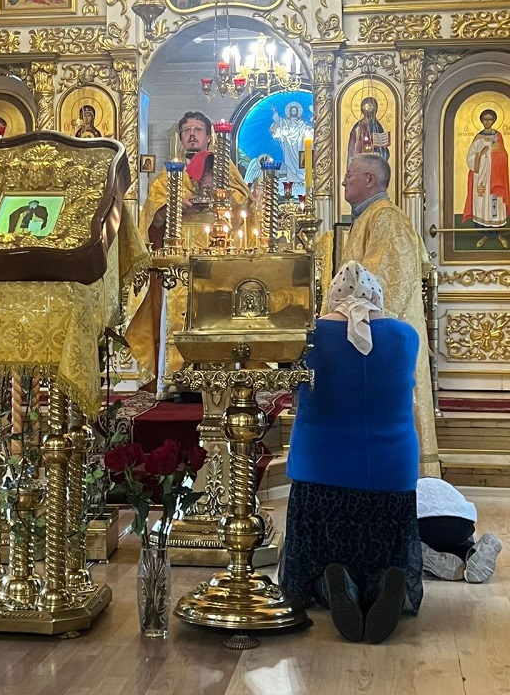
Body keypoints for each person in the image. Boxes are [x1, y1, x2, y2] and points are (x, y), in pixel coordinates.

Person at [280, 261, 423, 644]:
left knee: (310, 565)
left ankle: (331, 585)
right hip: (391, 473)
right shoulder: (406, 337)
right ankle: (382, 583)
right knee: (384, 549)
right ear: (376, 297)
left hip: (320, 470)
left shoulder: (307, 337)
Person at [124, 111, 256, 398]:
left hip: (217, 254)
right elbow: (151, 219)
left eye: (198, 129)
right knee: (177, 317)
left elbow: (245, 207)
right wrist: (173, 204)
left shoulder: (224, 169)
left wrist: (220, 194)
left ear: (209, 136)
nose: (192, 134)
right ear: (181, 137)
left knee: (214, 315)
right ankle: (175, 380)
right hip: (178, 257)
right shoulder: (168, 176)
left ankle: (219, 377)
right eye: (187, 130)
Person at [340, 152, 440, 478]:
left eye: (350, 174)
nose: (343, 181)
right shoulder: (369, 217)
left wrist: (345, 320)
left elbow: (385, 283)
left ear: (370, 179)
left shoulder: (387, 219)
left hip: (385, 340)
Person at [418, 477, 503, 583]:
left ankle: (424, 555)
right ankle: (470, 552)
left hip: (424, 524)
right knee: (458, 543)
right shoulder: (449, 488)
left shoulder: (407, 488)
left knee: (406, 543)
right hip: (461, 523)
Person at [461, 108, 510, 249]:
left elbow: (504, 156)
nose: (487, 122)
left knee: (495, 203)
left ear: (494, 120)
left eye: (490, 119)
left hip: (496, 177)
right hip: (481, 177)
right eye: (485, 119)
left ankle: (500, 234)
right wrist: (482, 155)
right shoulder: (478, 138)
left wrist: (497, 154)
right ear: (481, 121)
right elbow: (470, 158)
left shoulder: (498, 136)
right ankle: (484, 235)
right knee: (482, 203)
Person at [270, 101, 309, 182]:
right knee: (290, 163)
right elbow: (279, 121)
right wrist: (274, 112)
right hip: (289, 148)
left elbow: (307, 132)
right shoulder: (286, 123)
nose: (294, 112)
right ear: (290, 112)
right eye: (292, 111)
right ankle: (291, 181)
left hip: (300, 147)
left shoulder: (302, 124)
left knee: (301, 162)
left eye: (295, 111)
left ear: (298, 112)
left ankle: (303, 179)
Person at [347, 96, 390, 166]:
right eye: (367, 112)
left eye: (371, 112)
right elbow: (352, 146)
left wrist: (380, 148)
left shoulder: (377, 126)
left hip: (373, 160)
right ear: (363, 111)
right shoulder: (358, 126)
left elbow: (383, 149)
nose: (368, 114)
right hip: (360, 159)